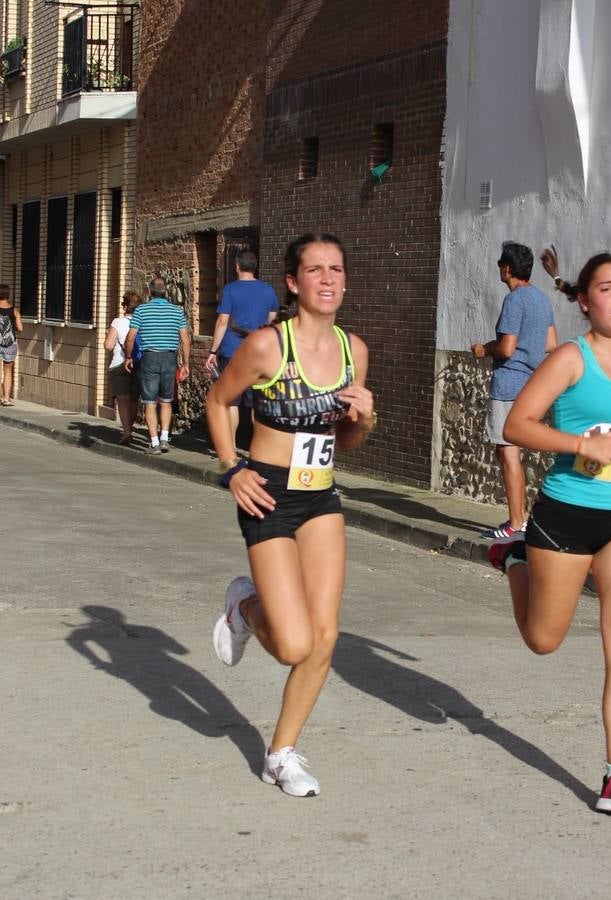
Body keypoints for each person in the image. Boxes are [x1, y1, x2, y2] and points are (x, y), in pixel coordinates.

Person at [489, 252, 611, 816]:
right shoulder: (568, 360)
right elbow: (517, 425)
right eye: (607, 288)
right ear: (584, 301)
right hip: (566, 515)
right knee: (542, 640)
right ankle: (512, 559)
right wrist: (580, 445)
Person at [205, 232, 375, 797]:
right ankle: (243, 603)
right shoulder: (266, 347)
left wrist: (365, 420)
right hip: (269, 494)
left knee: (325, 638)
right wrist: (232, 468)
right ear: (294, 282)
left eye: (337, 268)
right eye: (316, 270)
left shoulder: (355, 350)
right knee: (293, 645)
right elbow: (218, 400)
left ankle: (282, 753)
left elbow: (347, 441)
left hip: (321, 494)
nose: (328, 279)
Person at [472, 241, 558, 543]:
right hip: (531, 386)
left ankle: (516, 522)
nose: (498, 267)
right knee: (514, 452)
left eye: (500, 264)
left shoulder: (515, 300)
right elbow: (551, 344)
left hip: (509, 382)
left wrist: (484, 349)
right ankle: (519, 519)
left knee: (506, 452)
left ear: (507, 269)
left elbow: (507, 349)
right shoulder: (542, 300)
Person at [204, 249, 279, 443]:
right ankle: (260, 448)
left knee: (231, 401)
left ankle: (231, 445)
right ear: (255, 267)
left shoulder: (230, 290)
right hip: (259, 354)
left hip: (232, 351)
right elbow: (272, 320)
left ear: (237, 266)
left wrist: (213, 351)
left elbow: (222, 321)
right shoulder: (268, 290)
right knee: (257, 402)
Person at [124, 277, 191, 454]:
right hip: (169, 358)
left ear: (150, 291)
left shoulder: (141, 311)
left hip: (149, 358)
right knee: (167, 401)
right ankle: (164, 439)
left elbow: (131, 337)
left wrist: (129, 356)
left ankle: (154, 442)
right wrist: (185, 363)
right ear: (165, 291)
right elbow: (185, 340)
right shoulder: (177, 312)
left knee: (150, 402)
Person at [104, 291, 143, 444]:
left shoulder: (117, 322)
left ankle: (126, 432)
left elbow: (108, 345)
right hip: (138, 364)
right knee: (133, 399)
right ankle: (130, 428)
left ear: (125, 306)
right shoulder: (143, 322)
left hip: (119, 364)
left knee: (122, 398)